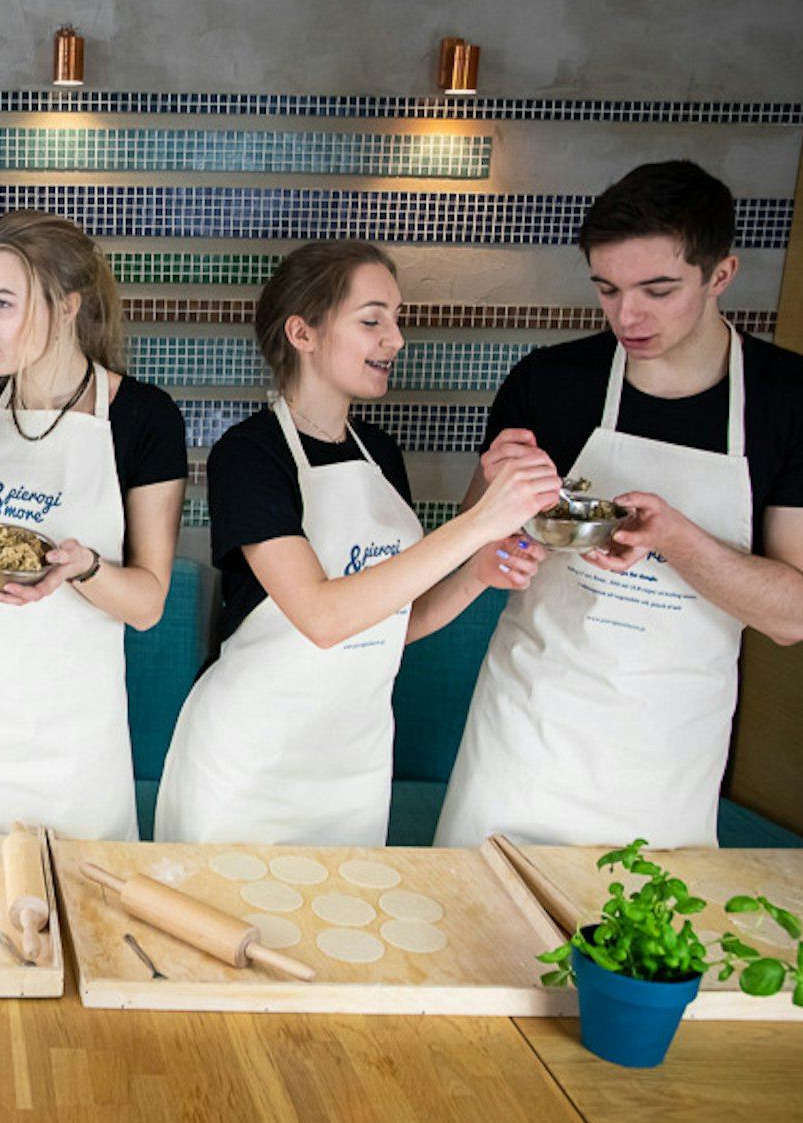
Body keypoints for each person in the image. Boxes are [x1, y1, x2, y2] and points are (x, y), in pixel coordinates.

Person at [435, 160, 803, 850]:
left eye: (658, 290)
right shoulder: (550, 383)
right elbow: (474, 551)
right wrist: (497, 521)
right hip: (526, 734)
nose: (627, 316)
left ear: (721, 274)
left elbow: (798, 614)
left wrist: (677, 539)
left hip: (668, 758)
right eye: (608, 289)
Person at [154, 240, 560, 846]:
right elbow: (321, 616)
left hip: (354, 766)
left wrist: (479, 573)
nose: (395, 340)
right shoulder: (249, 455)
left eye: (396, 320)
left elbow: (395, 620)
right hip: (252, 764)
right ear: (304, 333)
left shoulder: (382, 455)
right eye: (372, 320)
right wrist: (477, 523)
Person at [0, 210, 187, 838]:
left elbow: (147, 604)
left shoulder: (144, 418)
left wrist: (85, 568)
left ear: (67, 304)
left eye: (2, 302)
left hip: (72, 732)